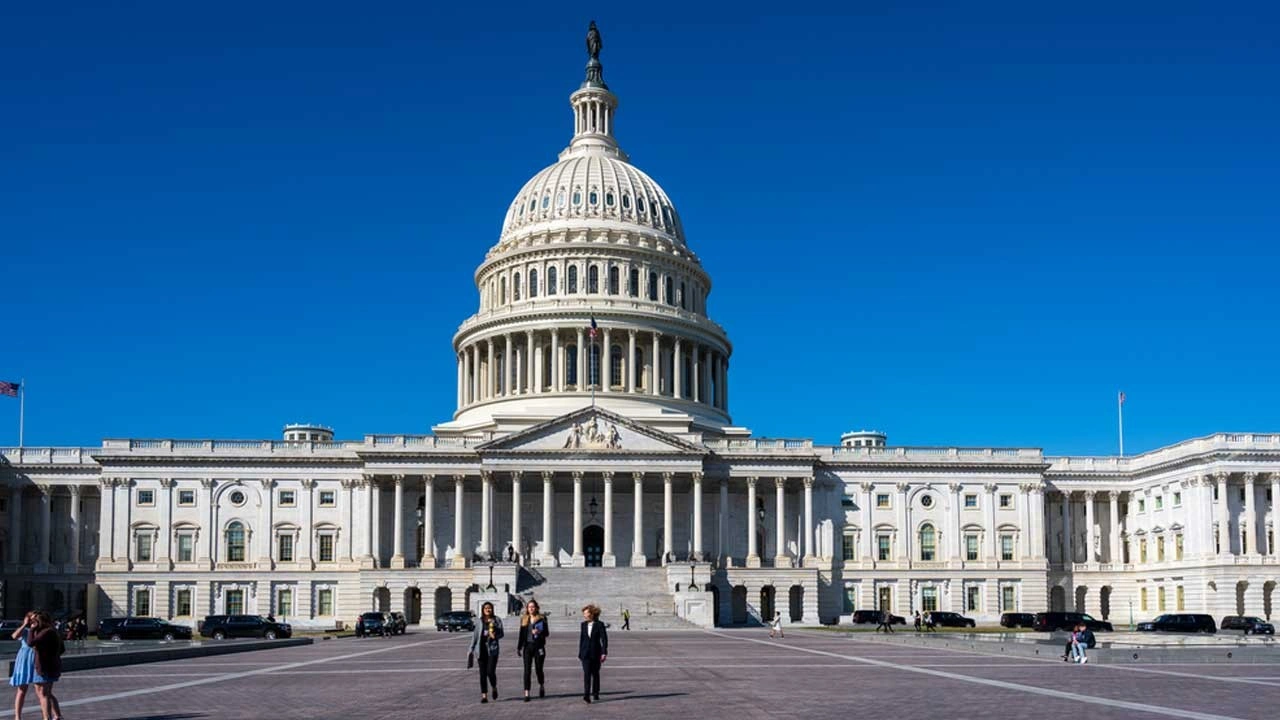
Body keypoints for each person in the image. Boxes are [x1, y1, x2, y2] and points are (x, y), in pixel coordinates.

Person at [26, 612, 63, 720]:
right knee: (46, 693)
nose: (32, 623)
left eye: (34, 621)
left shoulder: (46, 632)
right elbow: (62, 649)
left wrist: (32, 630)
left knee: (43, 694)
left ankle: (47, 717)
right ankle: (56, 715)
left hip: (44, 666)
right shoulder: (53, 631)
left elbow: (30, 643)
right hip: (51, 665)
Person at [468, 601, 504, 703]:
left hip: (492, 650)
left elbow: (501, 634)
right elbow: (475, 636)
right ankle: (484, 695)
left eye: (490, 608)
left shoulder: (497, 620)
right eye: (486, 608)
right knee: (482, 674)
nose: (488, 610)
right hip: (481, 650)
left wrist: (495, 635)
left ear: (492, 609)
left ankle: (494, 687)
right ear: (483, 610)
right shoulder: (479, 621)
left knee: (490, 672)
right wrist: (471, 648)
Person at [517, 600, 549, 702]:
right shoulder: (524, 619)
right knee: (527, 671)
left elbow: (547, 633)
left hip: (538, 647)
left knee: (538, 669)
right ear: (527, 608)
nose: (531, 608)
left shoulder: (542, 619)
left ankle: (541, 685)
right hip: (527, 647)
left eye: (533, 607)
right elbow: (521, 635)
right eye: (529, 607)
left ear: (536, 608)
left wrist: (539, 632)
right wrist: (519, 647)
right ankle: (527, 693)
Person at [578, 604, 608, 704]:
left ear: (591, 614)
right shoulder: (583, 625)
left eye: (586, 613)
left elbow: (604, 639)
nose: (584, 615)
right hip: (585, 653)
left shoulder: (599, 624)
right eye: (584, 614)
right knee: (586, 674)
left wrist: (604, 652)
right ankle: (586, 695)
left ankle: (595, 692)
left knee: (595, 674)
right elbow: (582, 639)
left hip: (596, 653)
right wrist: (580, 653)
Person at [9, 612, 37, 720]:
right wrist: (24, 624)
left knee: (42, 690)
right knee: (21, 689)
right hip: (25, 659)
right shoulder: (26, 631)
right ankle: (17, 716)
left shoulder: (40, 630)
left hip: (36, 659)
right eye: (32, 619)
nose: (34, 621)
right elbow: (14, 636)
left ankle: (53, 714)